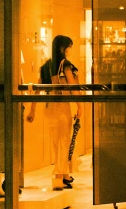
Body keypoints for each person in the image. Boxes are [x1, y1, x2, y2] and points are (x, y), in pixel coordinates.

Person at [26, 35, 84, 191]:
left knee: (56, 142)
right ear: (62, 48)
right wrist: (80, 106)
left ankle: (64, 174)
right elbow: (73, 87)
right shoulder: (65, 65)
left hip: (48, 107)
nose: (70, 49)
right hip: (62, 106)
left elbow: (37, 89)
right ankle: (59, 176)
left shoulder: (46, 66)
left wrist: (32, 111)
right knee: (63, 141)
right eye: (69, 46)